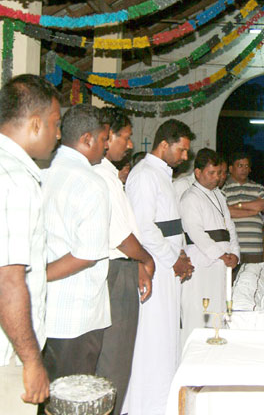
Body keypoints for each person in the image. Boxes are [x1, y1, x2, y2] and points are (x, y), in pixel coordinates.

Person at [123, 119, 195, 415]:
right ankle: (145, 405)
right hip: (154, 267)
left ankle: (163, 399)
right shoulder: (143, 175)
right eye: (182, 150)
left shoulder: (162, 175)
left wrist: (182, 254)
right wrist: (173, 258)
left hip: (168, 267)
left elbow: (171, 226)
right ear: (164, 144)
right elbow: (143, 228)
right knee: (152, 338)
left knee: (167, 336)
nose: (185, 157)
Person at [0, 74, 60, 414]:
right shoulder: (14, 180)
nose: (58, 134)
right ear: (35, 124)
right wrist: (31, 361)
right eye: (55, 124)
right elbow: (9, 280)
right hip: (7, 354)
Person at [42, 104, 110, 383]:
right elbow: (86, 255)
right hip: (76, 314)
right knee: (72, 398)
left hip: (43, 311)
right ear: (87, 139)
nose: (106, 148)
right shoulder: (91, 182)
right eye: (104, 139)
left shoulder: (43, 171)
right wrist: (36, 276)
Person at [93, 108, 155, 415]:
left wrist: (138, 264)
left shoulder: (108, 174)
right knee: (114, 359)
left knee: (117, 357)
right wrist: (145, 259)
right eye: (126, 137)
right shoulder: (102, 175)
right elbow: (120, 235)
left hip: (123, 267)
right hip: (115, 271)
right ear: (107, 134)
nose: (129, 145)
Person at [180, 148, 240, 345]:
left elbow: (229, 226)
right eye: (211, 173)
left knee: (218, 307)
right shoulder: (190, 197)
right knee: (198, 311)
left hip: (221, 261)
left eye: (218, 173)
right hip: (202, 259)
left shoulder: (220, 196)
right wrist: (221, 254)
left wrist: (234, 253)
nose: (216, 178)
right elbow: (195, 232)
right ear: (198, 173)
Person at [223, 153, 264, 263]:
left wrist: (239, 205)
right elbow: (226, 212)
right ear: (231, 168)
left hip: (254, 248)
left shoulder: (258, 187)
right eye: (240, 165)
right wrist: (253, 210)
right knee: (232, 280)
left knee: (253, 279)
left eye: (247, 166)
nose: (244, 169)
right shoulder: (223, 189)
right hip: (232, 249)